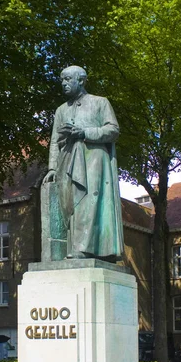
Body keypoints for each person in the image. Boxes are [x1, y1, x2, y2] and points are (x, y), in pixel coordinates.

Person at [43, 65, 124, 261]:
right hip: (68, 160)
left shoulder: (99, 103)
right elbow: (54, 140)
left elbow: (113, 130)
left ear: (81, 80)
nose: (64, 84)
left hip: (94, 158)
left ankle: (86, 249)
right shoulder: (61, 110)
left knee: (90, 202)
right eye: (62, 80)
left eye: (68, 79)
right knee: (69, 204)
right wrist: (52, 167)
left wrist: (85, 132)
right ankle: (72, 248)